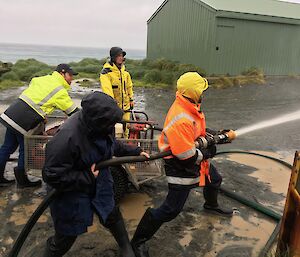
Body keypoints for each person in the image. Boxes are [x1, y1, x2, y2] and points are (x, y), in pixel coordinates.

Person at [131, 72, 233, 257]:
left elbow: (195, 130)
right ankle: (138, 241)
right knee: (171, 209)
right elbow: (186, 156)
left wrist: (212, 134)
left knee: (214, 179)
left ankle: (211, 205)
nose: (203, 92)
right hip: (179, 164)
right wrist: (208, 152)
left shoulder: (190, 106)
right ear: (193, 92)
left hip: (190, 154)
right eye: (201, 89)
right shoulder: (181, 117)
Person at [42, 92, 149, 257]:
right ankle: (53, 251)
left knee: (111, 213)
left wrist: (137, 151)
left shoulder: (103, 126)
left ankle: (125, 247)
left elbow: (112, 145)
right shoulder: (66, 138)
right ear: (98, 121)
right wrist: (87, 177)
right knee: (68, 232)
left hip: (100, 180)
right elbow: (51, 174)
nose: (113, 126)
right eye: (110, 123)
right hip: (71, 190)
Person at [0, 64, 78, 187]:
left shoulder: (41, 79)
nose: (71, 79)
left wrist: (43, 112)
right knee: (25, 149)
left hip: (12, 113)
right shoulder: (59, 90)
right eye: (70, 75)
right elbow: (74, 112)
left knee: (7, 147)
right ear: (62, 74)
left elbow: (36, 95)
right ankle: (22, 181)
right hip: (24, 120)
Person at [100, 47, 134, 138]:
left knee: (125, 129)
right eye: (119, 55)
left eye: (122, 56)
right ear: (113, 57)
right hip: (114, 109)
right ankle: (114, 148)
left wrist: (131, 99)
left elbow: (129, 87)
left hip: (126, 107)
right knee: (114, 130)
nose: (121, 58)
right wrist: (112, 106)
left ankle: (125, 145)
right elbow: (107, 91)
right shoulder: (106, 73)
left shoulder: (125, 72)